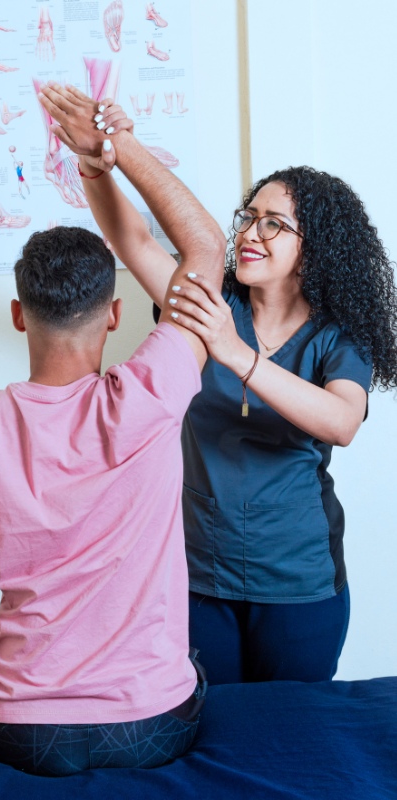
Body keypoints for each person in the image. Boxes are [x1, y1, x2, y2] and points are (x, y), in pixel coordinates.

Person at [39, 84, 397, 684]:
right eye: (249, 217)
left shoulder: (336, 335)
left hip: (299, 584)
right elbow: (135, 242)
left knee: (289, 742)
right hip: (198, 574)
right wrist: (97, 164)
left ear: (317, 250)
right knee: (214, 734)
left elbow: (341, 422)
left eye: (275, 224)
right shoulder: (211, 302)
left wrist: (235, 353)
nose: (252, 233)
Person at [0, 111, 226, 775]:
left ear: (18, 315)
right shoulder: (153, 391)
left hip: (23, 731)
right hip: (151, 725)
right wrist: (113, 150)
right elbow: (206, 249)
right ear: (116, 315)